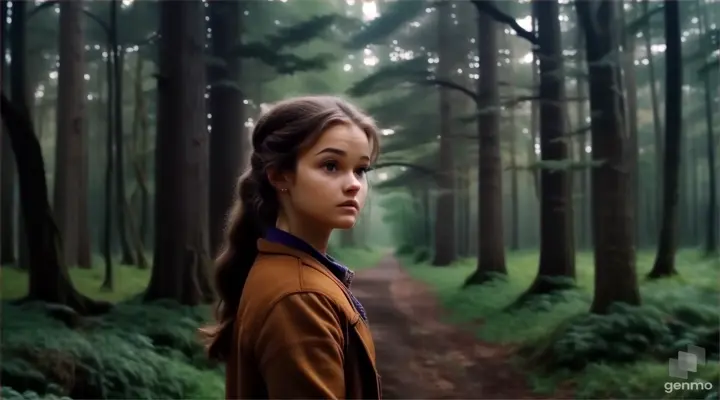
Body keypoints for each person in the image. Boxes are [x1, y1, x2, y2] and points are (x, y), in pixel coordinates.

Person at [200, 95, 383, 400]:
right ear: (279, 175)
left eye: (361, 170)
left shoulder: (290, 273)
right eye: (330, 165)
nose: (353, 184)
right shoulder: (299, 297)